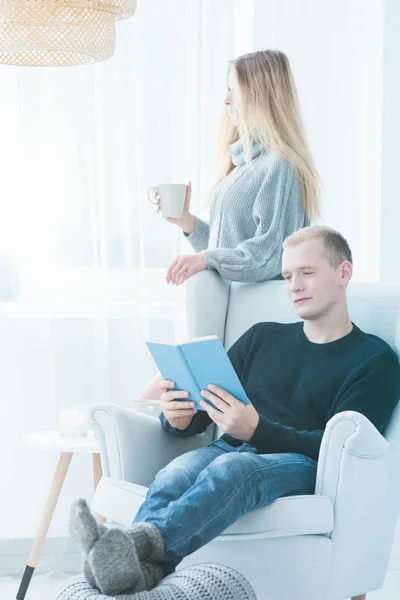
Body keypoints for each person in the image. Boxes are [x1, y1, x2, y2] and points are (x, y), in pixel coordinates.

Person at [69, 226, 400, 596]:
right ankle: (138, 576)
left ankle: (127, 548)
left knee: (234, 468)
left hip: (301, 463)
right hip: (230, 447)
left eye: (307, 273)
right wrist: (178, 418)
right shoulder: (262, 337)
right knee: (175, 473)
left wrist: (256, 431)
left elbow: (343, 449)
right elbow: (204, 411)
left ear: (343, 273)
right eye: (288, 275)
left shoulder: (375, 361)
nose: (294, 285)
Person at [155, 49, 320, 287]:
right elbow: (228, 251)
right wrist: (187, 222)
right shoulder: (245, 165)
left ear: (260, 95)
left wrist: (205, 258)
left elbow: (268, 257)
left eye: (235, 89)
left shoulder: (279, 166)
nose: (226, 100)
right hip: (235, 305)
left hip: (256, 311)